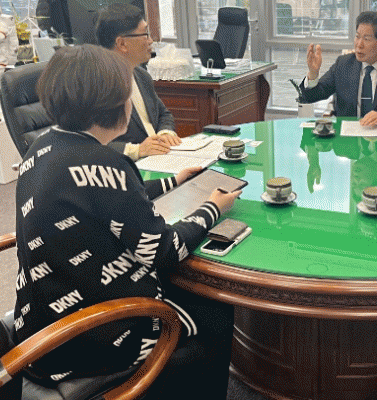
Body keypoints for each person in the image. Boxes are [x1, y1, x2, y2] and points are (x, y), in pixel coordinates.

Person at [13, 44, 241, 398]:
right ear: (117, 106)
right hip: (91, 336)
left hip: (40, 329)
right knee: (216, 311)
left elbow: (101, 196)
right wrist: (213, 207)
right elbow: (165, 251)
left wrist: (173, 181)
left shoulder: (41, 148)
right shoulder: (108, 165)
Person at [298, 11, 377, 126]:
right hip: (348, 138)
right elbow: (311, 96)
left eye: (367, 39)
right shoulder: (343, 64)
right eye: (357, 36)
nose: (359, 44)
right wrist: (313, 74)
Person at [95, 2, 181, 160]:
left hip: (159, 158)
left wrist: (165, 133)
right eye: (145, 34)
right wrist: (136, 150)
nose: (151, 41)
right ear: (122, 44)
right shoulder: (95, 84)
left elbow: (163, 114)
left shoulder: (142, 76)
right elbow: (86, 143)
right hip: (125, 166)